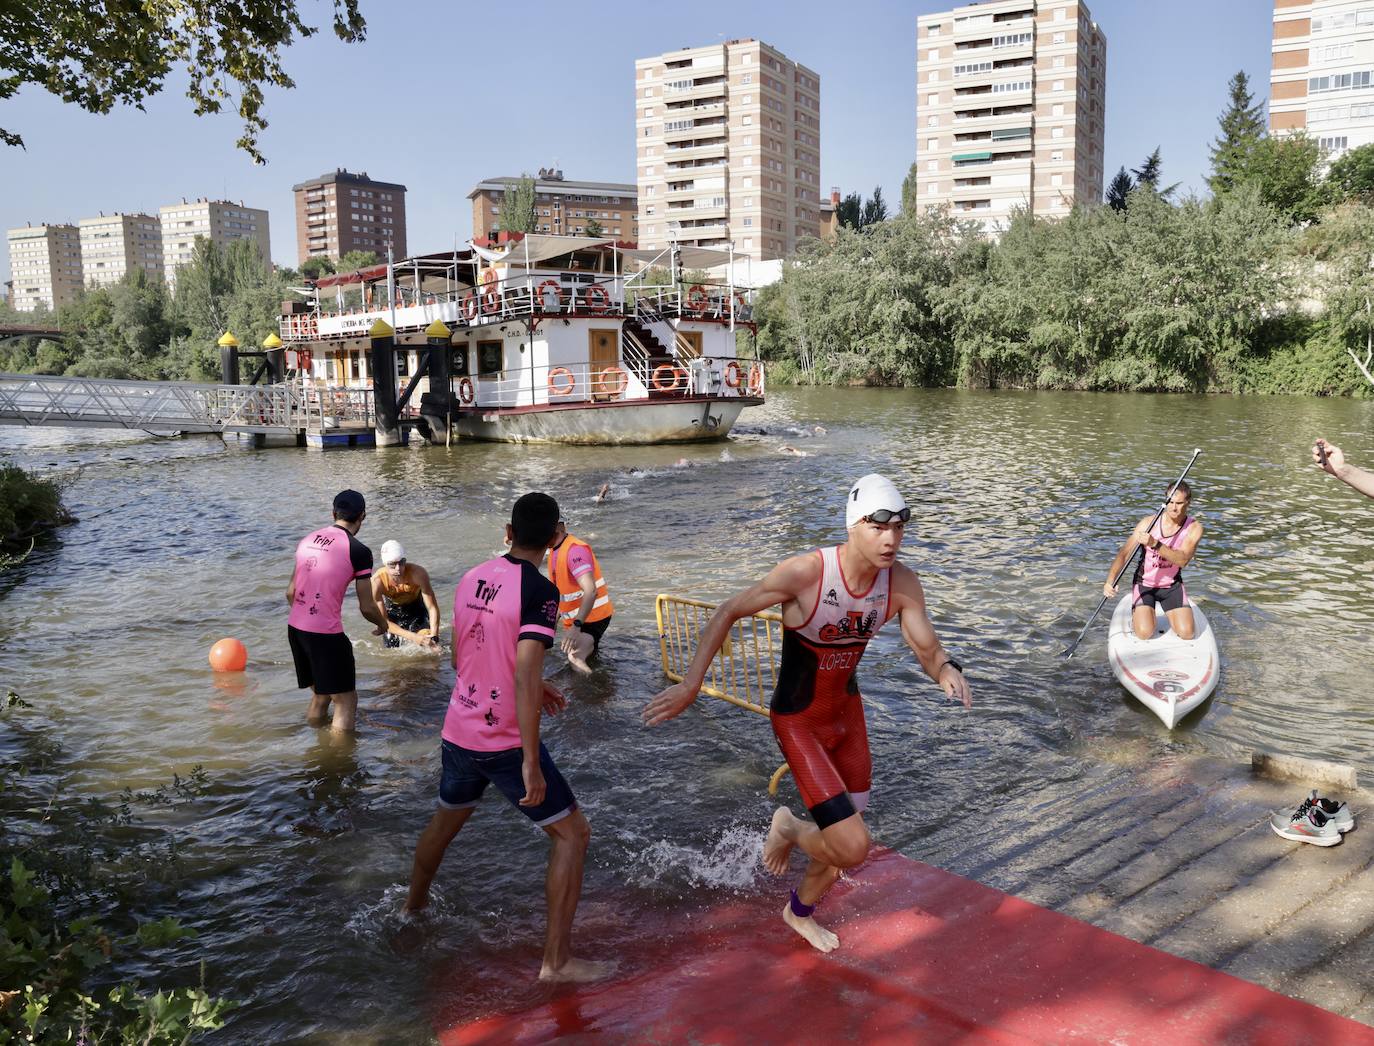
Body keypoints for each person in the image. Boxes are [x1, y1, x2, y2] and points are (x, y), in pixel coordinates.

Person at [642, 474, 972, 954]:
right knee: (853, 845)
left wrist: (944, 669)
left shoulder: (899, 582)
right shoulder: (807, 574)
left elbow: (925, 644)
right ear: (853, 526)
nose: (891, 539)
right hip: (800, 722)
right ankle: (789, 828)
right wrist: (692, 683)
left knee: (841, 845)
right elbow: (728, 611)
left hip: (848, 716)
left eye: (900, 528)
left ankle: (798, 913)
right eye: (880, 527)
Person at [404, 493, 610, 983]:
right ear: (554, 535)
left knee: (446, 821)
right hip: (502, 740)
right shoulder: (540, 590)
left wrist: (535, 683)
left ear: (507, 531)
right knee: (572, 835)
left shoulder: (473, 576)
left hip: (459, 726)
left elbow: (464, 658)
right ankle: (556, 963)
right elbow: (521, 675)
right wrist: (531, 762)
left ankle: (410, 911)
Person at [286, 490, 389, 733]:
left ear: (333, 513)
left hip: (296, 628)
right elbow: (366, 606)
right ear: (362, 516)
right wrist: (383, 624)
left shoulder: (307, 540)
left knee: (322, 695)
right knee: (345, 700)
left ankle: (315, 745)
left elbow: (290, 592)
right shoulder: (359, 551)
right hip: (326, 635)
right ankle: (339, 763)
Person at [1102, 480, 1204, 641]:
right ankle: (1138, 616)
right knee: (1145, 633)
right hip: (1145, 584)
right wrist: (1110, 581)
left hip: (1171, 585)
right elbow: (1124, 554)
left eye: (1179, 503)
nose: (1174, 508)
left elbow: (1183, 560)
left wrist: (1155, 544)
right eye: (1170, 502)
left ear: (1188, 503)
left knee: (1187, 634)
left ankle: (1159, 612)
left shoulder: (1194, 528)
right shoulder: (1148, 524)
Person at [547, 520, 614, 674]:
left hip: (594, 618)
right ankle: (598, 670)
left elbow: (591, 590)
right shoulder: (554, 550)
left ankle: (593, 695)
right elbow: (563, 593)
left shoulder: (574, 551)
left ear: (558, 528)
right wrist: (553, 620)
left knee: (575, 657)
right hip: (579, 617)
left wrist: (576, 626)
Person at [372, 540, 441, 650]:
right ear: (385, 564)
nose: (398, 568)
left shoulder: (418, 574)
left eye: (401, 562)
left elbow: (432, 608)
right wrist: (414, 637)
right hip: (393, 612)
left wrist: (434, 636)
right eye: (392, 565)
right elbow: (385, 622)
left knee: (430, 647)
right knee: (392, 651)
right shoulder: (377, 581)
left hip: (417, 611)